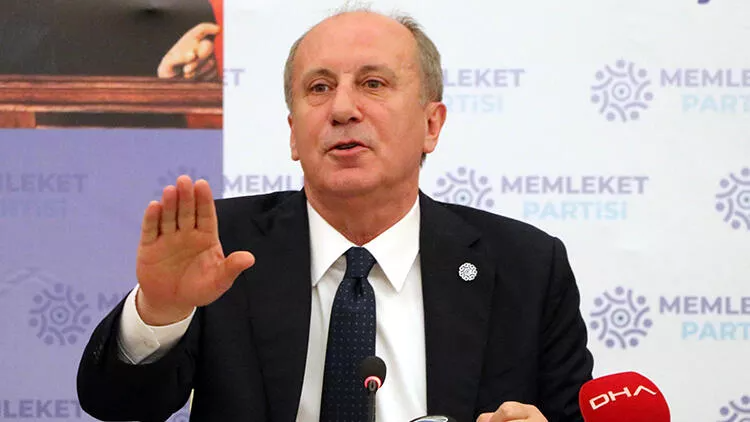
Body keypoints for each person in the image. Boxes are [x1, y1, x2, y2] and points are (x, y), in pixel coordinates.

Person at [76, 7, 594, 422]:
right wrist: (161, 312)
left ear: (431, 125)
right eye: (319, 88)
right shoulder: (223, 248)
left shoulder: (526, 266)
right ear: (293, 134)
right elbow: (117, 406)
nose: (343, 109)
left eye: (374, 84)